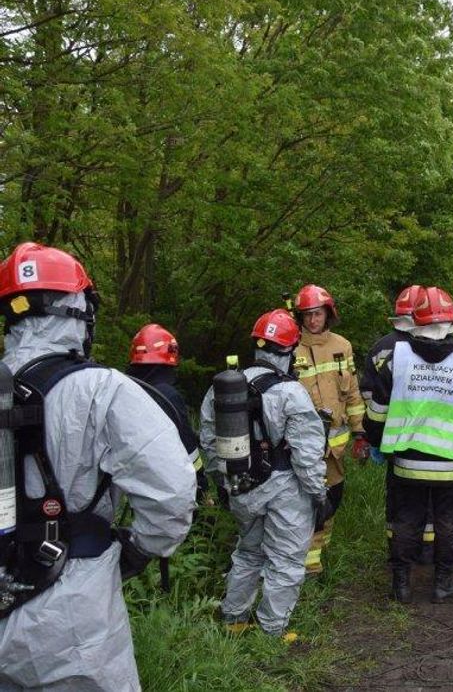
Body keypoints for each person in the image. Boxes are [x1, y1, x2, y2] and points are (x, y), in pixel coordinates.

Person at [0, 243, 196, 690]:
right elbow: (172, 493)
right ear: (79, 310)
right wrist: (142, 549)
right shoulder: (101, 389)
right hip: (71, 613)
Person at [364, 286, 453, 604]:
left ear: (416, 322)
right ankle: (443, 583)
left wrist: (375, 442)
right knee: (449, 523)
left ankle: (401, 584)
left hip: (406, 463)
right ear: (451, 324)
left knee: (404, 521)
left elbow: (378, 412)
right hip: (452, 467)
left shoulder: (396, 361)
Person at [199, 309, 330, 637]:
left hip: (242, 486)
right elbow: (307, 455)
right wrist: (319, 494)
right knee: (285, 562)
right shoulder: (291, 393)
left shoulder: (223, 387)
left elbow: (209, 441)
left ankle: (233, 619)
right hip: (285, 489)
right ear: (290, 350)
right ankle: (272, 632)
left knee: (248, 552)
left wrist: (224, 484)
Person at [356, 285, 435, 556]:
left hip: (392, 436)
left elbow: (368, 392)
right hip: (429, 435)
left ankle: (397, 550)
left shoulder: (381, 347)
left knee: (399, 495)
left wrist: (377, 434)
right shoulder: (432, 348)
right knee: (429, 493)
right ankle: (426, 548)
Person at [293, 284, 366, 576]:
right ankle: (309, 567)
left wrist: (360, 432)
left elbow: (352, 394)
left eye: (318, 314)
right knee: (307, 502)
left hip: (335, 446)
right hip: (302, 446)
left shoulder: (342, 346)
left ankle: (321, 550)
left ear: (328, 314)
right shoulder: (290, 346)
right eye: (308, 315)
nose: (313, 320)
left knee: (333, 498)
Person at [126, 323, 209, 501]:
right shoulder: (167, 396)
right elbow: (186, 443)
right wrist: (200, 480)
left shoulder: (126, 390)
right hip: (167, 487)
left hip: (132, 483)